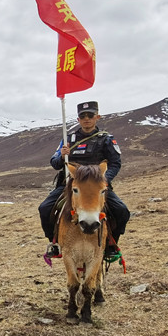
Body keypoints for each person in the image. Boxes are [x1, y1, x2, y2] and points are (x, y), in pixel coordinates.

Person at [38, 101, 130, 259]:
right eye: (83, 116)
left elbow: (115, 163)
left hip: (97, 186)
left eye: (90, 115)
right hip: (70, 185)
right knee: (44, 208)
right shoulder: (68, 139)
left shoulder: (106, 139)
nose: (86, 118)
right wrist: (62, 156)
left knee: (122, 211)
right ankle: (54, 243)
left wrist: (103, 180)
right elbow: (54, 163)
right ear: (78, 119)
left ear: (97, 117)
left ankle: (111, 244)